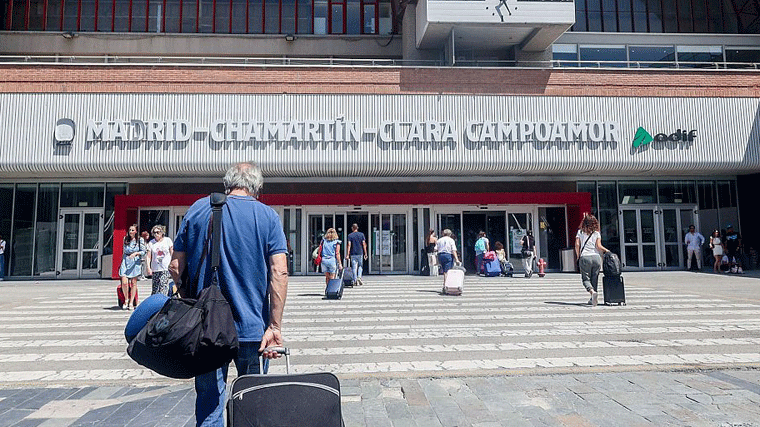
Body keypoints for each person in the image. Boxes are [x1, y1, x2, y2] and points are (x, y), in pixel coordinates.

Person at [169, 162, 288, 427]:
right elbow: (279, 272)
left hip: (207, 329)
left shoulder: (198, 209)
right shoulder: (267, 216)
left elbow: (175, 266)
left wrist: (191, 301)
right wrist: (275, 326)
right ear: (257, 188)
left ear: (227, 183)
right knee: (253, 405)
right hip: (252, 329)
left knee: (210, 404)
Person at [575, 214, 610, 306]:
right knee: (595, 278)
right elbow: (598, 246)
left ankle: (592, 292)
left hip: (585, 257)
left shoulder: (580, 232)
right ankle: (592, 299)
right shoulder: (596, 233)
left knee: (585, 279)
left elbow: (577, 245)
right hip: (596, 258)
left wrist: (578, 256)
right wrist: (607, 251)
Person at [118, 224, 145, 310]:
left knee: (133, 283)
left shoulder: (139, 240)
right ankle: (126, 299)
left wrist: (136, 253)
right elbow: (123, 250)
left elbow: (143, 251)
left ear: (136, 231)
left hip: (135, 261)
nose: (130, 232)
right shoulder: (125, 239)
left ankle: (131, 302)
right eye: (130, 230)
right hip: (126, 260)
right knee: (124, 281)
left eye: (132, 230)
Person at [145, 225, 174, 295]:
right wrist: (148, 268)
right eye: (154, 233)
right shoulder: (151, 243)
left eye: (158, 232)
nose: (156, 234)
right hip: (155, 268)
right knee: (155, 288)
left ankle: (163, 302)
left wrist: (172, 263)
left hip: (165, 268)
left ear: (162, 233)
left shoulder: (167, 240)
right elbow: (148, 256)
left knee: (163, 285)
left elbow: (172, 252)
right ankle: (155, 302)